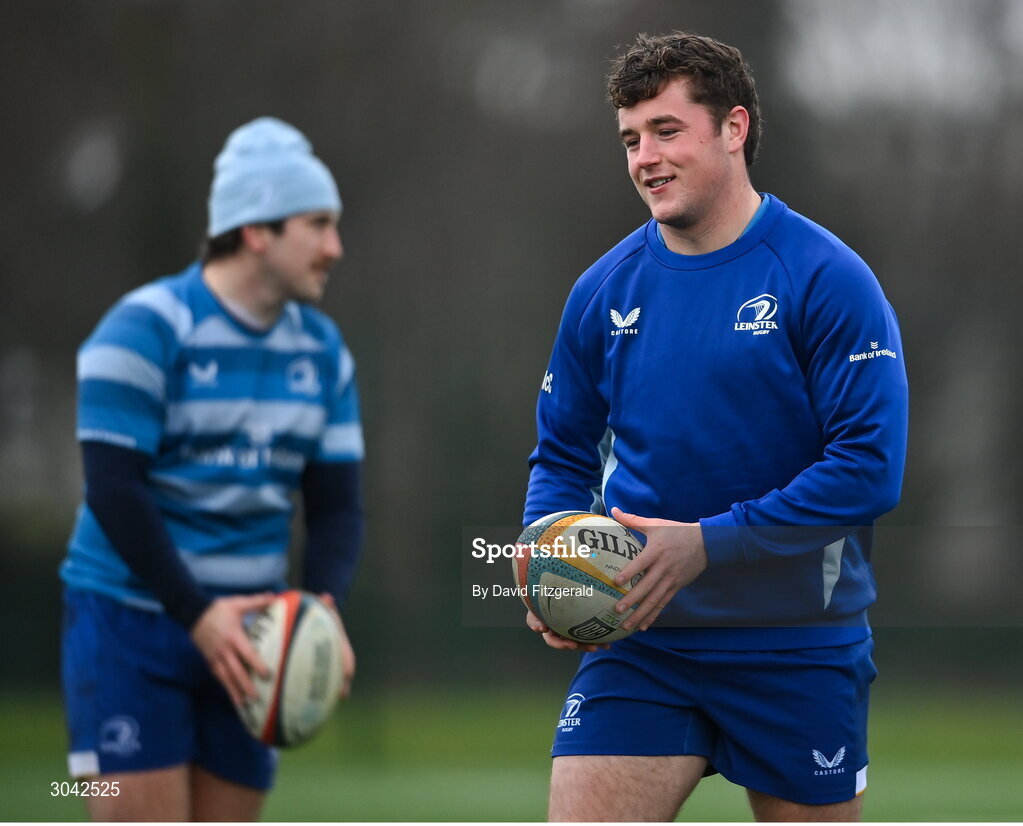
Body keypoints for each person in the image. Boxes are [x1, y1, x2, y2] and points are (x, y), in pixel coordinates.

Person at [523, 32, 908, 821]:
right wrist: (542, 555)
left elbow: (869, 468)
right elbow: (560, 454)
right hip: (644, 645)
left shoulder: (826, 278)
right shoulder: (602, 290)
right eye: (631, 138)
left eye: (666, 130)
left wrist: (705, 544)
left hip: (797, 645)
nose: (644, 158)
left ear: (733, 129)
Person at [60, 117, 365, 821]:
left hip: (256, 640)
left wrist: (320, 608)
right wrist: (196, 616)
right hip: (128, 626)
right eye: (317, 225)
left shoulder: (322, 352)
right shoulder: (142, 328)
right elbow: (113, 488)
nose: (334, 248)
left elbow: (337, 508)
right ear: (256, 230)